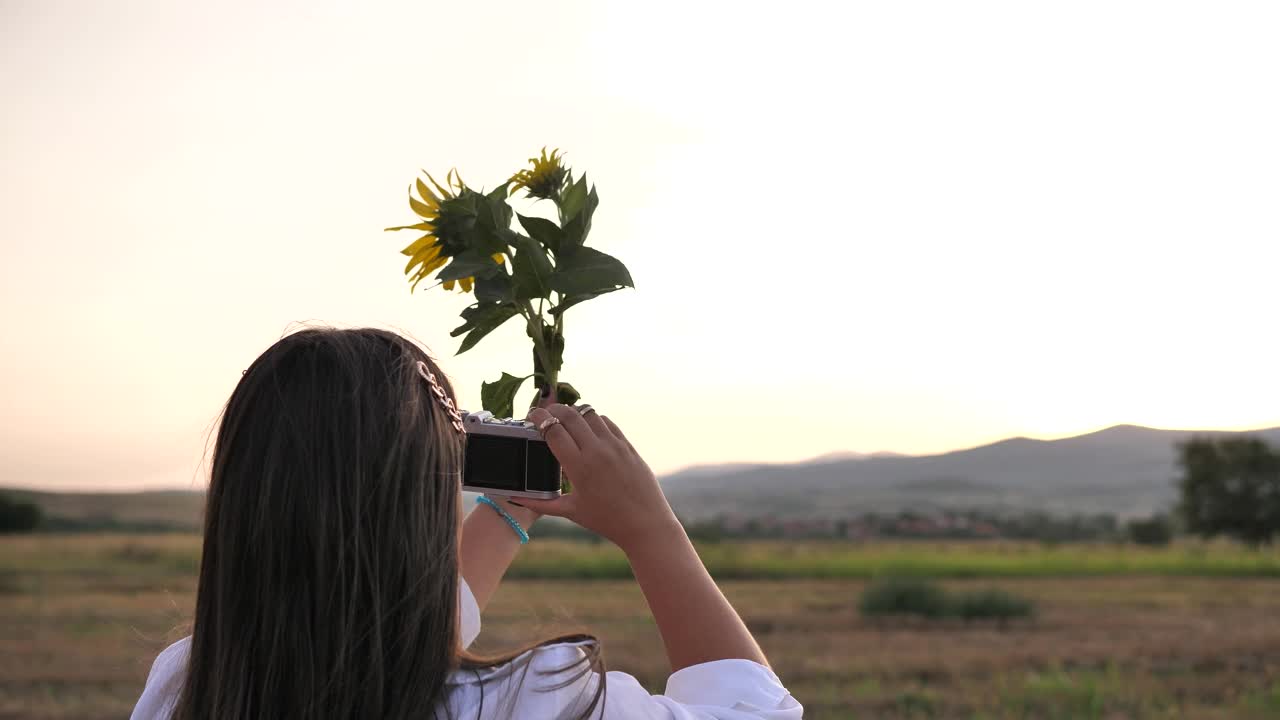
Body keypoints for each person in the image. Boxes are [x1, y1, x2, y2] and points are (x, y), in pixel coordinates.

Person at [130, 328, 802, 719]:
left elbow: (384, 622)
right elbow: (751, 710)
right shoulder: (540, 701)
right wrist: (651, 528)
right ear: (426, 500)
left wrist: (511, 507)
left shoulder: (185, 685)